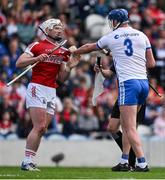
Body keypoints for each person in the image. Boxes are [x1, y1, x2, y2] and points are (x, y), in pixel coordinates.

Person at [70, 9, 155, 172]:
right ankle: (125, 161)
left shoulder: (111, 37)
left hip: (128, 84)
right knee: (127, 126)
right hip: (143, 83)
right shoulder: (142, 35)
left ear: (116, 21)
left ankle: (142, 163)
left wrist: (75, 51)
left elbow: (89, 47)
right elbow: (151, 64)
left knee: (129, 128)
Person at [16, 18, 80, 171]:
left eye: (60, 27)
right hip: (37, 87)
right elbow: (19, 62)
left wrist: (70, 67)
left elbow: (62, 78)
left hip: (51, 90)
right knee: (39, 126)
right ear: (47, 30)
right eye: (56, 27)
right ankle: (26, 161)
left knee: (43, 129)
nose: (60, 30)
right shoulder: (37, 45)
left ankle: (30, 160)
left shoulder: (63, 51)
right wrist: (36, 58)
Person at [94, 62, 146, 171]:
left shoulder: (135, 51)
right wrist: (101, 70)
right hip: (123, 94)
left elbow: (150, 64)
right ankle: (129, 157)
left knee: (129, 128)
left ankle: (128, 161)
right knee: (112, 128)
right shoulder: (119, 54)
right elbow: (110, 73)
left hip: (134, 91)